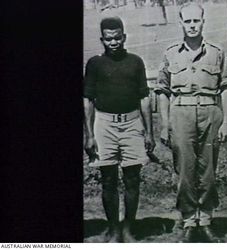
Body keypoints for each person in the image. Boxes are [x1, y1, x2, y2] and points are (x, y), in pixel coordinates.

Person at [155, 3, 227, 242]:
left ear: (203, 22)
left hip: (211, 112)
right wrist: (165, 124)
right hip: (181, 113)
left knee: (208, 170)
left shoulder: (217, 52)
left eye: (196, 21)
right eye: (187, 21)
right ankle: (189, 220)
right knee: (185, 171)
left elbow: (226, 87)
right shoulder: (170, 53)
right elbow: (162, 90)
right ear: (180, 23)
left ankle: (206, 219)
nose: (192, 26)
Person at [83, 16, 155, 243]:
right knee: (108, 179)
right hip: (104, 124)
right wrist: (89, 135)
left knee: (133, 177)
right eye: (108, 39)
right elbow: (88, 100)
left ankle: (128, 229)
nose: (113, 42)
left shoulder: (136, 61)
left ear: (124, 37)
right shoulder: (94, 64)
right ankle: (114, 229)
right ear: (102, 39)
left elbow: (144, 99)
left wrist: (149, 132)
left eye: (117, 38)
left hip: (132, 123)